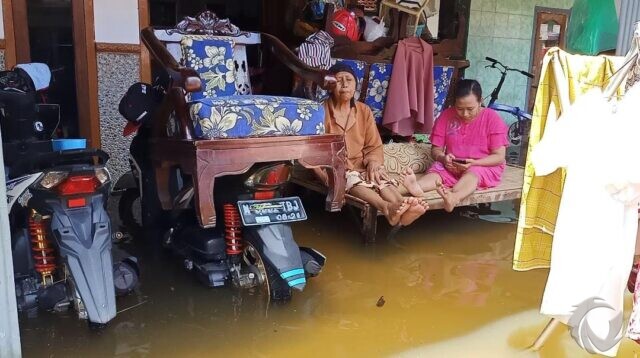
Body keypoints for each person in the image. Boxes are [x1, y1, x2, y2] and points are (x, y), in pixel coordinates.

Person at [315, 63, 428, 226]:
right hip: (334, 168)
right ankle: (387, 207)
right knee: (349, 178)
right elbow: (311, 151)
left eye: (349, 80)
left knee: (378, 177)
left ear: (355, 85)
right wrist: (327, 180)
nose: (345, 84)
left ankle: (402, 206)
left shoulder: (363, 110)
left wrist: (374, 163)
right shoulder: (320, 111)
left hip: (360, 165)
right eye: (339, 80)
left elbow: (373, 145)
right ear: (330, 86)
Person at [402, 79, 508, 212]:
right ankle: (416, 186)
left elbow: (499, 157)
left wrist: (474, 163)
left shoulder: (492, 118)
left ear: (480, 101)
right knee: (437, 169)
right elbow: (436, 150)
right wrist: (443, 158)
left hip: (483, 166)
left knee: (473, 174)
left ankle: (454, 197)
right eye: (459, 109)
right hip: (452, 166)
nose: (465, 114)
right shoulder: (446, 116)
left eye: (470, 109)